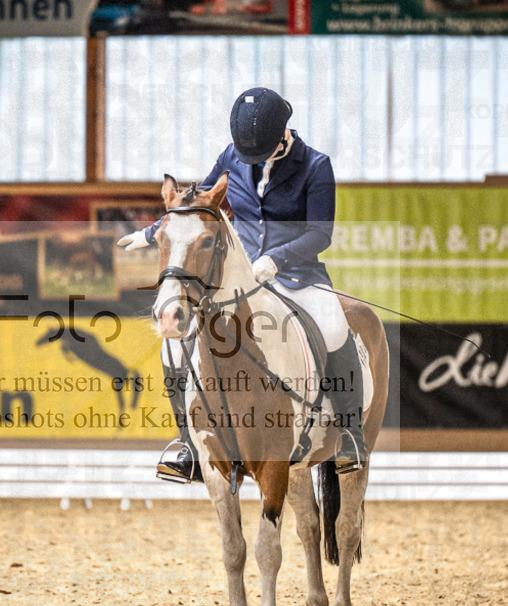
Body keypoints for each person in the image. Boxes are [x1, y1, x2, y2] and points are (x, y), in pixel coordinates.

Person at [118, 87, 367, 483]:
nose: (253, 160)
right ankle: (188, 444)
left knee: (335, 326)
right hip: (239, 279)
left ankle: (351, 435)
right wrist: (151, 233)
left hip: (297, 275)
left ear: (283, 132)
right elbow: (200, 207)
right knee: (173, 343)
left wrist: (277, 258)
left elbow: (321, 234)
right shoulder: (233, 155)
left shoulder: (316, 166)